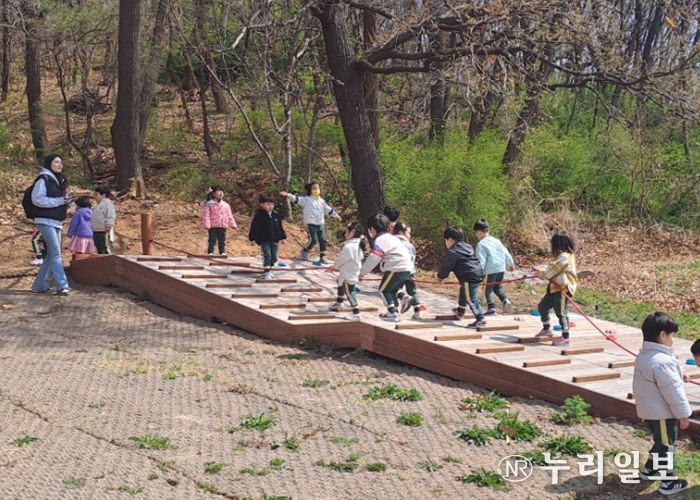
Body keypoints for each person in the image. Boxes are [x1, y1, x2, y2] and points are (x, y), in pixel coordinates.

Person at [633, 312, 690, 496]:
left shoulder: (645, 356)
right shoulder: (662, 361)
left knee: (660, 442)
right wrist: (683, 415)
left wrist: (679, 373)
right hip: (662, 413)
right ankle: (668, 481)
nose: (673, 339)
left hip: (650, 411)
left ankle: (650, 469)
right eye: (672, 335)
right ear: (663, 335)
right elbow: (673, 391)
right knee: (666, 445)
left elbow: (663, 377)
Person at [359, 214, 414, 323]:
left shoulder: (380, 239)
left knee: (383, 290)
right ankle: (403, 297)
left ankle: (392, 313)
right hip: (407, 267)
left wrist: (361, 273)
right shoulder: (391, 237)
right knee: (392, 289)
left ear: (371, 229)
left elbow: (373, 259)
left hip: (396, 267)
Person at [30, 154, 71, 295]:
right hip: (44, 220)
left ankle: (39, 285)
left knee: (51, 255)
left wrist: (65, 202)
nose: (60, 165)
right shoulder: (43, 179)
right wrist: (59, 201)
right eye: (56, 162)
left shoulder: (57, 181)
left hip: (56, 222)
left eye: (61, 163)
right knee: (56, 253)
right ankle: (62, 285)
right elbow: (37, 199)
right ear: (49, 164)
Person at [280, 182, 341, 264]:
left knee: (323, 240)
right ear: (310, 190)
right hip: (311, 224)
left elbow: (328, 209)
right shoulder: (306, 200)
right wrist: (287, 195)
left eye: (318, 188)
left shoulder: (322, 201)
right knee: (314, 240)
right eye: (314, 188)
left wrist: (336, 215)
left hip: (320, 224)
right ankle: (305, 251)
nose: (317, 190)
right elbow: (296, 199)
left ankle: (323, 256)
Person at [534, 232, 578, 346]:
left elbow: (552, 270)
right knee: (543, 307)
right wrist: (540, 270)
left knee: (561, 313)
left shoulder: (565, 257)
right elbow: (552, 266)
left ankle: (565, 337)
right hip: (554, 288)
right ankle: (546, 329)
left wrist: (541, 274)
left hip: (562, 288)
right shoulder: (562, 256)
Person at [437, 226, 485, 328]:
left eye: (445, 241)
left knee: (471, 299)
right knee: (464, 291)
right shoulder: (467, 247)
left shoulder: (453, 252)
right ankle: (460, 311)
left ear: (450, 240)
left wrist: (440, 277)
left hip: (469, 277)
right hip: (477, 273)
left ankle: (480, 318)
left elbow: (446, 266)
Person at [474, 219, 514, 315]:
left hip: (490, 270)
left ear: (479, 232)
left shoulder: (481, 244)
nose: (476, 235)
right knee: (497, 287)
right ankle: (505, 300)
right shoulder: (497, 241)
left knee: (487, 290)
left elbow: (481, 260)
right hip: (500, 269)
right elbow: (506, 253)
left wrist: (479, 272)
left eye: (476, 233)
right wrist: (511, 264)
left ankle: (491, 308)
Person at [329, 222, 366, 320]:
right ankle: (339, 303)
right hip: (350, 271)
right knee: (340, 283)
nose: (344, 234)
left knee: (349, 292)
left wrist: (335, 267)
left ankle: (356, 313)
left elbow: (341, 259)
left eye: (346, 232)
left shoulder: (349, 247)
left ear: (352, 232)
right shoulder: (358, 244)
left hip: (348, 274)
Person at [248, 193, 286, 279]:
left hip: (275, 239)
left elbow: (280, 227)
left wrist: (283, 237)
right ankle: (267, 271)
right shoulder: (259, 216)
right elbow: (254, 227)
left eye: (272, 204)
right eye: (268, 204)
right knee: (267, 255)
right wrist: (252, 238)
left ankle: (270, 269)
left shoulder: (276, 215)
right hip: (264, 239)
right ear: (262, 204)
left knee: (274, 257)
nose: (270, 206)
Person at [394, 222, 422, 319]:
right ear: (401, 232)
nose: (409, 235)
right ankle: (417, 312)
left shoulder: (393, 243)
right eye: (408, 233)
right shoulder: (410, 246)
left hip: (398, 271)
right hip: (410, 272)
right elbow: (413, 259)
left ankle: (394, 310)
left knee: (394, 290)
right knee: (412, 291)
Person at [202, 185, 237, 256]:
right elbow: (206, 215)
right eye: (218, 191)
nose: (221, 193)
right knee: (212, 239)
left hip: (222, 225)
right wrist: (207, 224)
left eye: (222, 191)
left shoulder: (226, 205)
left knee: (222, 240)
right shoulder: (209, 204)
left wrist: (232, 224)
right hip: (213, 225)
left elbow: (229, 215)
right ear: (213, 193)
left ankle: (222, 252)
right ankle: (211, 252)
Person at [92, 187, 116, 254]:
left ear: (103, 195)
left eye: (96, 194)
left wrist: (109, 225)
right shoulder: (99, 205)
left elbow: (110, 216)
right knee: (99, 248)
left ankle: (108, 260)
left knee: (105, 248)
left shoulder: (108, 204)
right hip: (96, 230)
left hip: (104, 231)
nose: (95, 196)